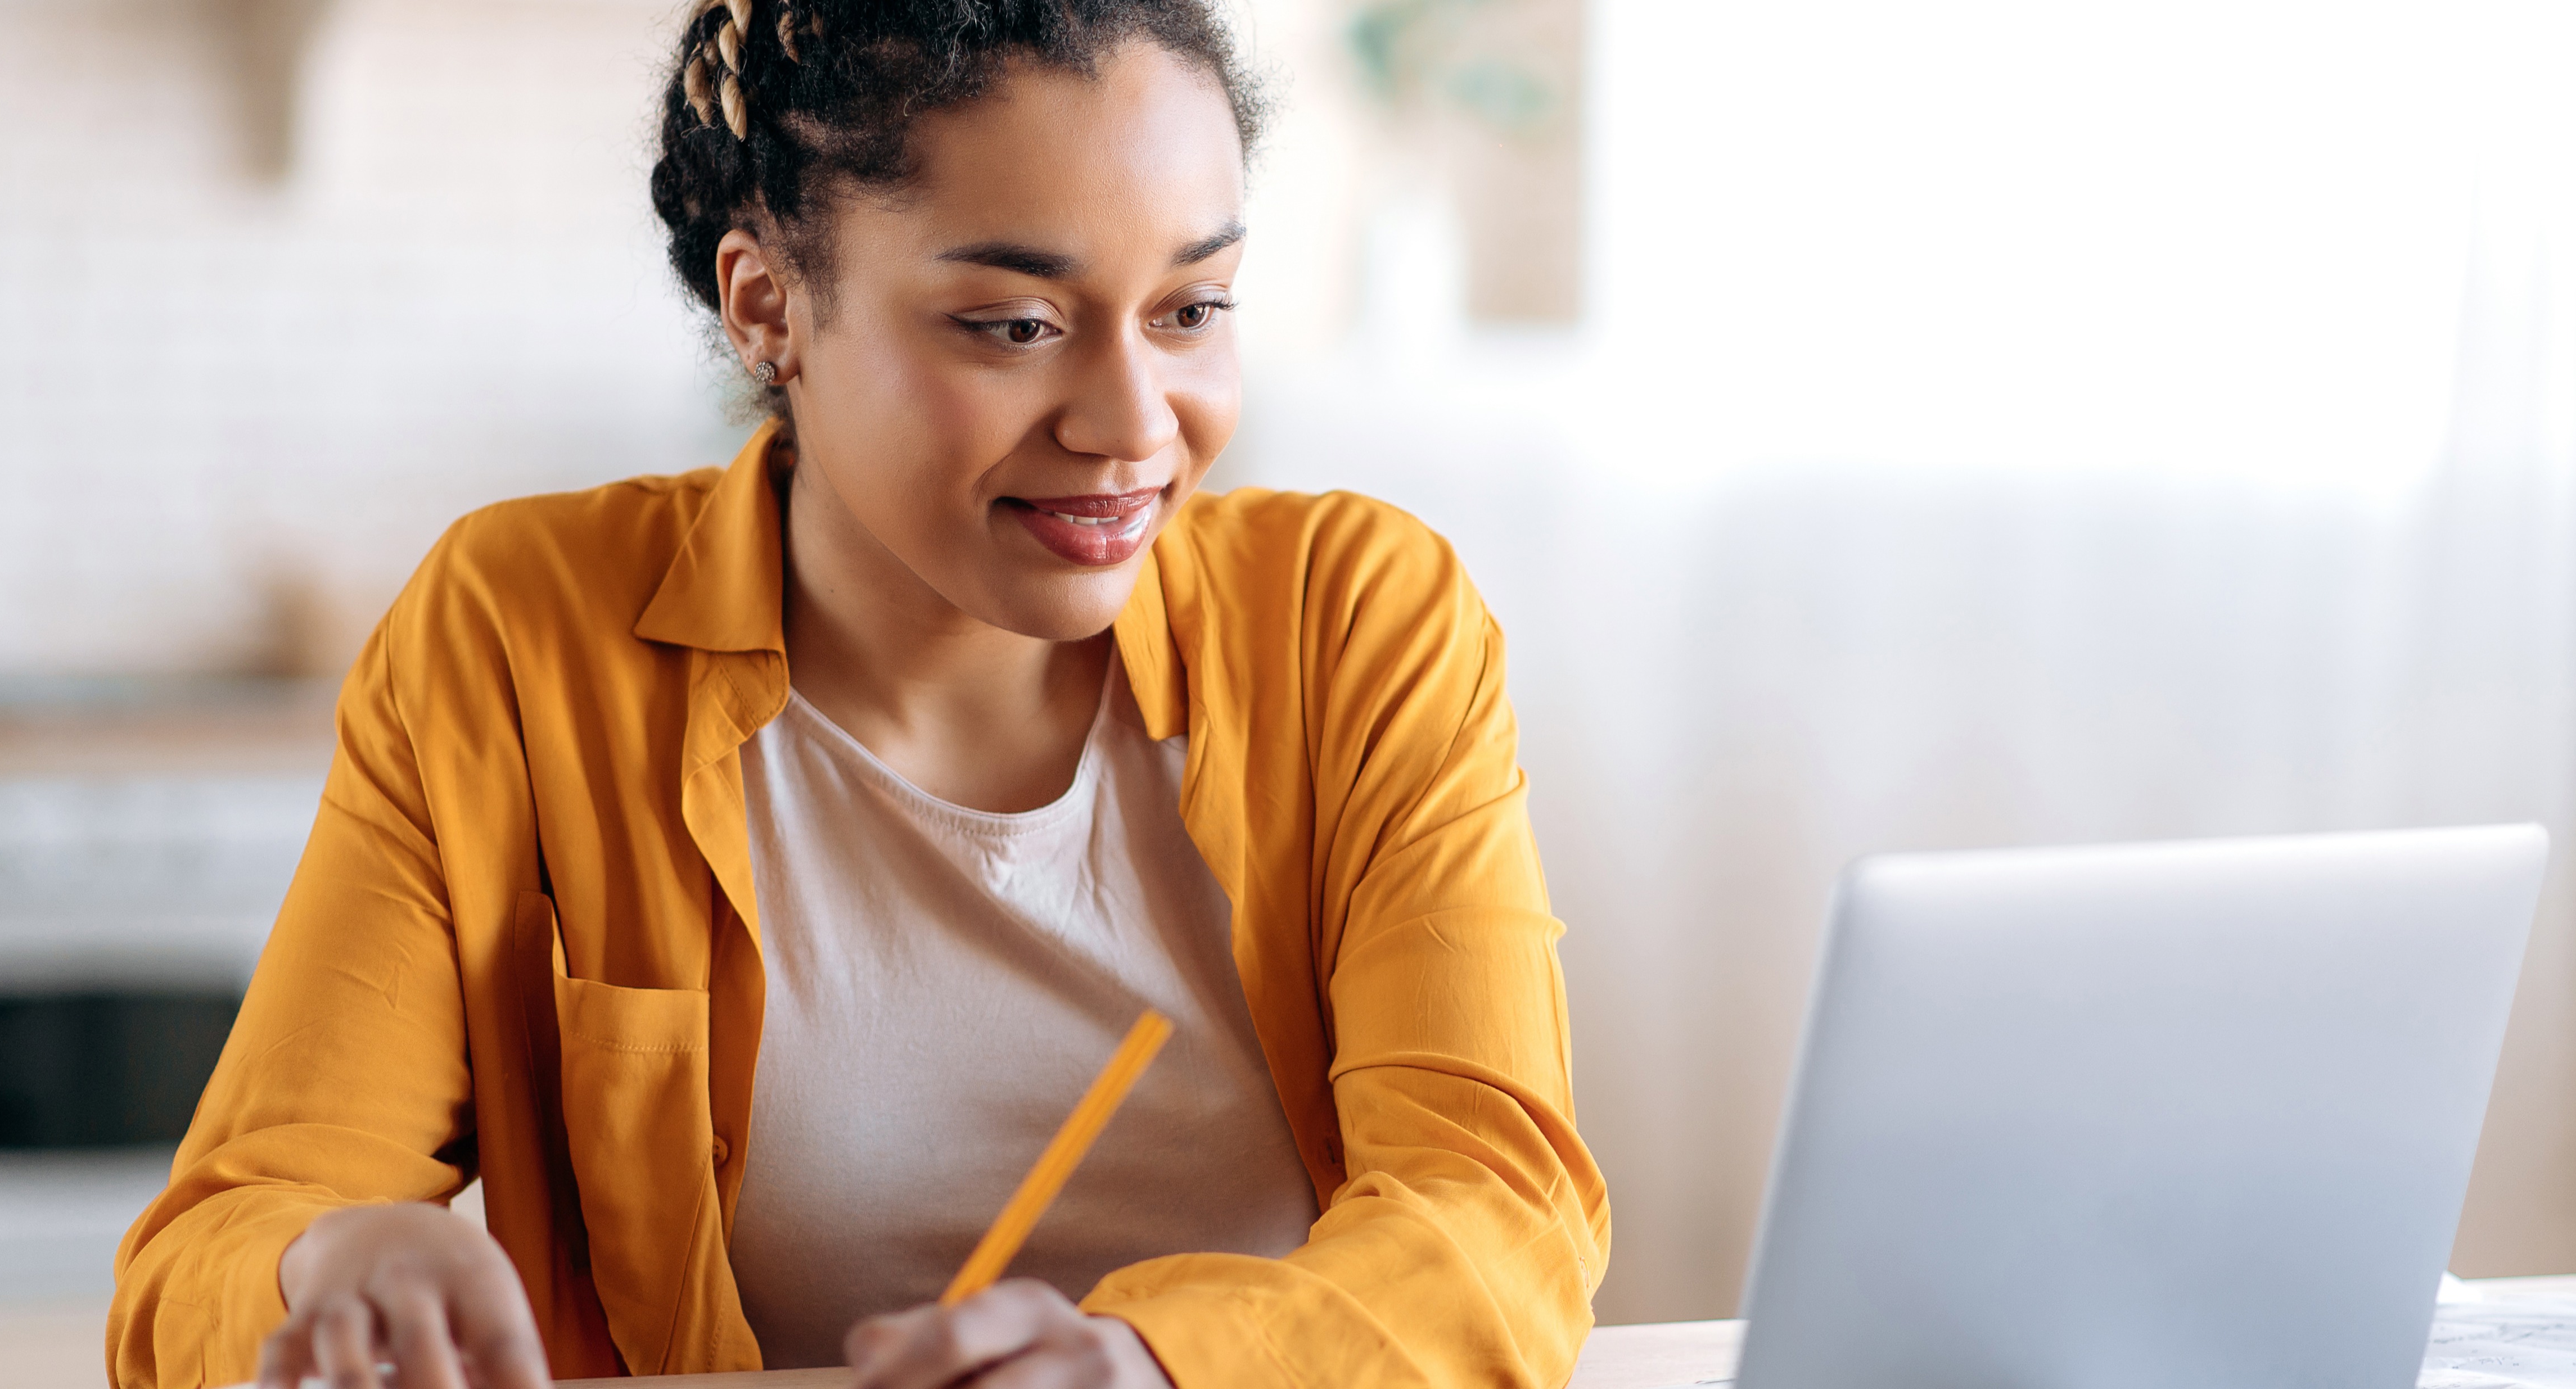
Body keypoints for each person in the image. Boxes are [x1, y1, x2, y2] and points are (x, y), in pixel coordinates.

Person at [107, 1, 1608, 1385]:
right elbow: (208, 1252)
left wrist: (1150, 1368)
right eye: (1014, 326)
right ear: (767, 307)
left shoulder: (1353, 619)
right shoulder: (520, 637)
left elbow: (1500, 1210)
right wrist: (329, 1260)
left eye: (1190, 308)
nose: (1133, 423)